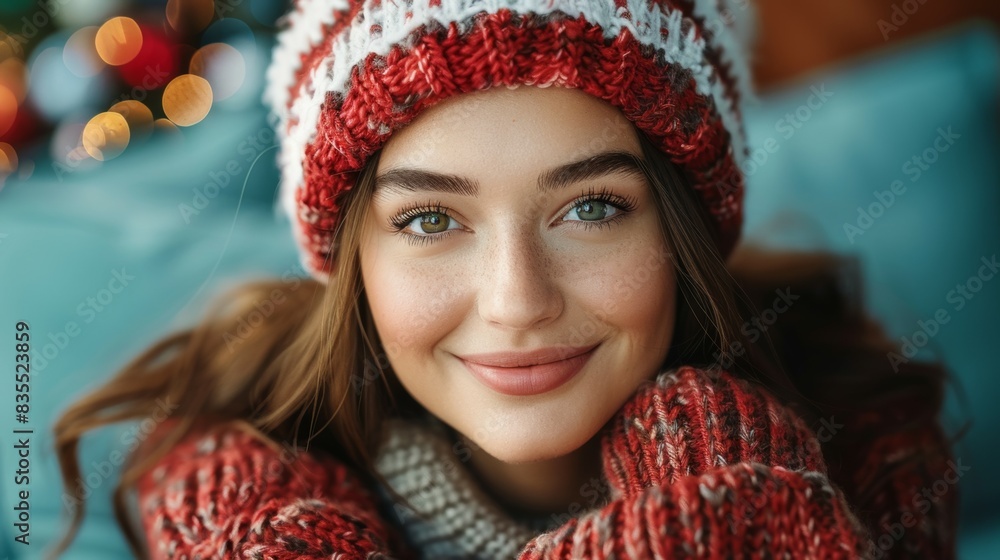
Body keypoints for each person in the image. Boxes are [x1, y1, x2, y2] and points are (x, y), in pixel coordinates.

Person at [50, 0, 960, 558]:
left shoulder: (853, 441)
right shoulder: (242, 486)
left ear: (683, 229)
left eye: (592, 208)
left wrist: (715, 489)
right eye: (431, 220)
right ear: (353, 261)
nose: (518, 300)